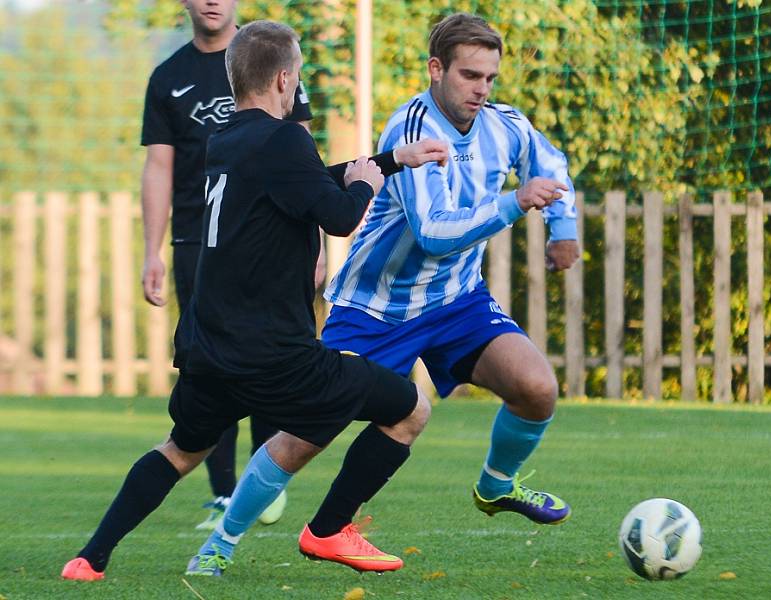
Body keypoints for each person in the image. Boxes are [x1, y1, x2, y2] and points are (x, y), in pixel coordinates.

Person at [61, 20, 449, 582]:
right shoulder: (285, 137)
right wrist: (367, 184)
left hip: (209, 347)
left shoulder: (228, 139)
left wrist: (390, 161)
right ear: (285, 78)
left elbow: (305, 181)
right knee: (410, 408)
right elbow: (338, 216)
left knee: (179, 450)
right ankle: (329, 530)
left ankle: (90, 558)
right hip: (274, 355)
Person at [297, 12, 580, 561]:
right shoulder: (412, 129)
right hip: (376, 305)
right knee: (308, 429)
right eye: (470, 75)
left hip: (453, 301)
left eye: (490, 78)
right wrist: (516, 202)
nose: (482, 89)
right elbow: (432, 234)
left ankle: (497, 486)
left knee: (537, 389)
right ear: (436, 69)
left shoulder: (506, 125)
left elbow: (550, 163)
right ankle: (223, 541)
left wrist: (563, 229)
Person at [140, 0, 311, 529]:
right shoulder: (169, 78)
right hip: (199, 242)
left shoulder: (268, 54)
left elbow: (301, 144)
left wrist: (319, 245)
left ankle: (265, 479)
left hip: (270, 236)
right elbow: (159, 165)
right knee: (209, 364)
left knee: (270, 353)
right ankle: (221, 493)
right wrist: (152, 249)